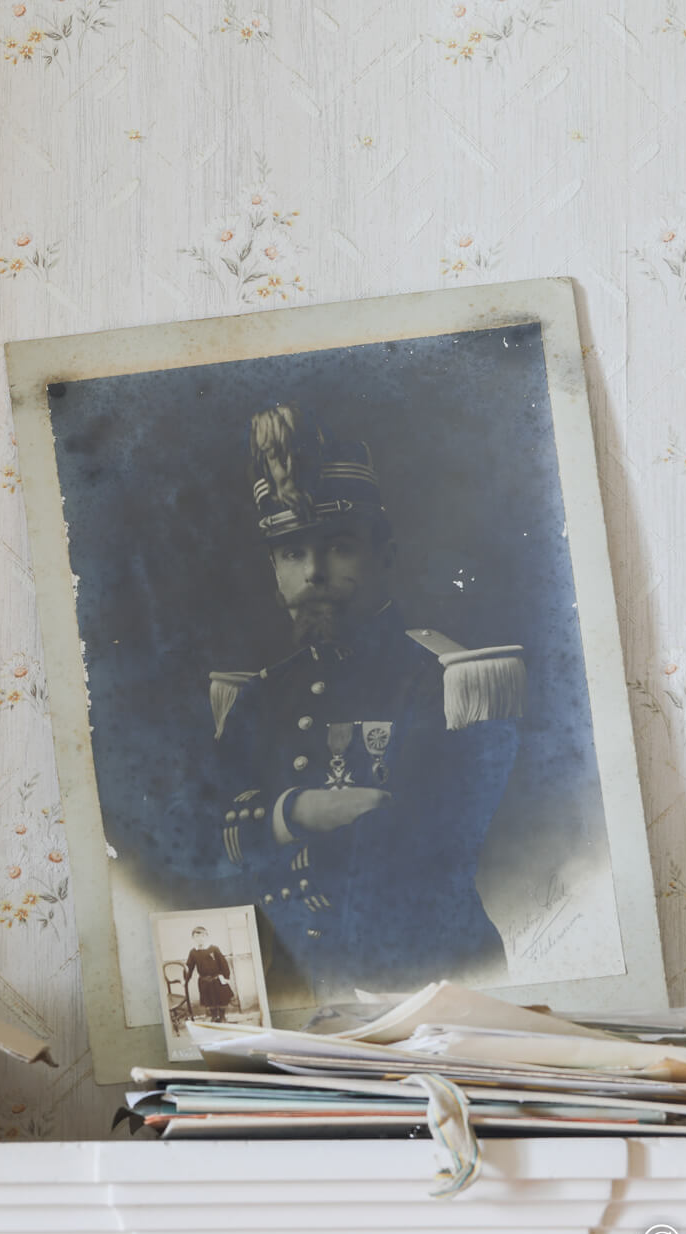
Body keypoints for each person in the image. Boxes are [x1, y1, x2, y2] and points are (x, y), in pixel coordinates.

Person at [208, 405, 524, 997]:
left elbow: (428, 845)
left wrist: (264, 834)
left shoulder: (447, 683)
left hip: (424, 981)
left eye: (338, 547)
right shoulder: (259, 695)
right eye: (292, 553)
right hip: (291, 982)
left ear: (386, 556)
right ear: (274, 570)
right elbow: (190, 833)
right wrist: (296, 812)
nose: (314, 572)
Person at [183, 926, 234, 1022]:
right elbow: (190, 967)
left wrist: (226, 977)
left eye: (202, 936)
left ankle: (222, 1016)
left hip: (217, 979)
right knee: (209, 1000)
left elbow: (223, 963)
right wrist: (186, 980)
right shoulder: (193, 952)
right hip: (204, 981)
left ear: (207, 936)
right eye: (197, 936)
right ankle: (214, 1016)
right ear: (193, 938)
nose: (200, 939)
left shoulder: (214, 948)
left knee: (222, 998)